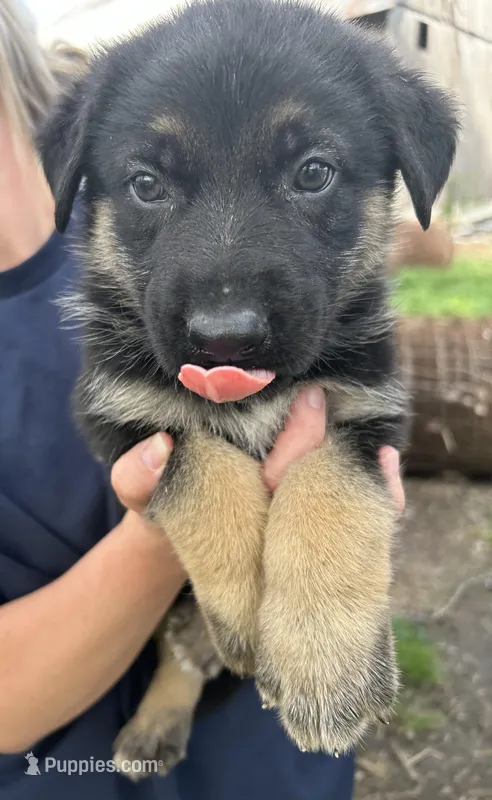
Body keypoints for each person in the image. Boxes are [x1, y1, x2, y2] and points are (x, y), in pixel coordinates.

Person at [0, 1, 404, 798]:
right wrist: (187, 546)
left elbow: (357, 428)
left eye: (310, 172)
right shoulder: (101, 132)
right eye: (150, 185)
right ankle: (174, 687)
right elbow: (140, 431)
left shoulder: (109, 104)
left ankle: (186, 684)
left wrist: (330, 578)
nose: (224, 316)